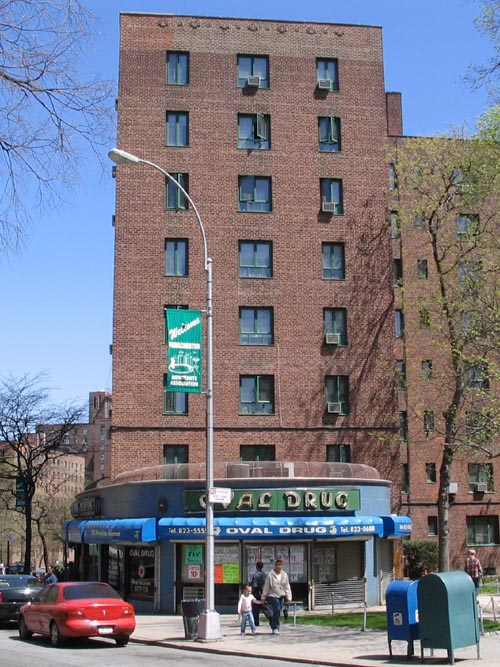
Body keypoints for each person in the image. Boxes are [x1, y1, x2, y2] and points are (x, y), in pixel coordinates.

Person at [261, 558, 292, 635]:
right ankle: (275, 627)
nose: (279, 566)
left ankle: (274, 624)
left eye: (281, 565)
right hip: (272, 595)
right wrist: (263, 597)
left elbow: (287, 586)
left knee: (277, 611)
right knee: (277, 609)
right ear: (275, 565)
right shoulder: (270, 574)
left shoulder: (284, 575)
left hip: (281, 595)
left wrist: (289, 597)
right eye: (278, 565)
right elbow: (266, 586)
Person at [251, 560, 267, 626]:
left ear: (256, 566)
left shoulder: (256, 575)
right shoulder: (264, 574)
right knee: (265, 607)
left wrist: (251, 592)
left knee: (255, 610)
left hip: (257, 594)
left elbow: (254, 585)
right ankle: (271, 617)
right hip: (264, 593)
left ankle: (256, 623)